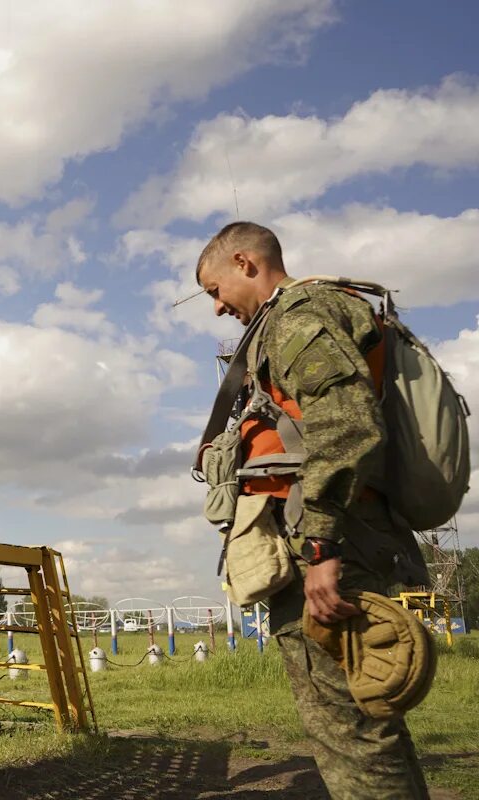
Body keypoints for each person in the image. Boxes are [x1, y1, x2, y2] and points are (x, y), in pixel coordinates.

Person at [195, 221, 431, 798]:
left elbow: (347, 423)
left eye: (214, 290)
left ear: (245, 262)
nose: (219, 308)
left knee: (348, 724)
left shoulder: (299, 314)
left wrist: (322, 546)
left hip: (321, 540)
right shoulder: (295, 319)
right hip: (322, 532)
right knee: (363, 719)